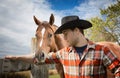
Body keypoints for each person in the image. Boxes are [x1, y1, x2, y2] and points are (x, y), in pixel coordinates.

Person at [6, 15, 120, 78]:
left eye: (65, 34)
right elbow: (37, 59)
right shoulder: (63, 53)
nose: (63, 38)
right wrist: (16, 57)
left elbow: (118, 69)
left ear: (76, 31)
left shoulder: (102, 50)